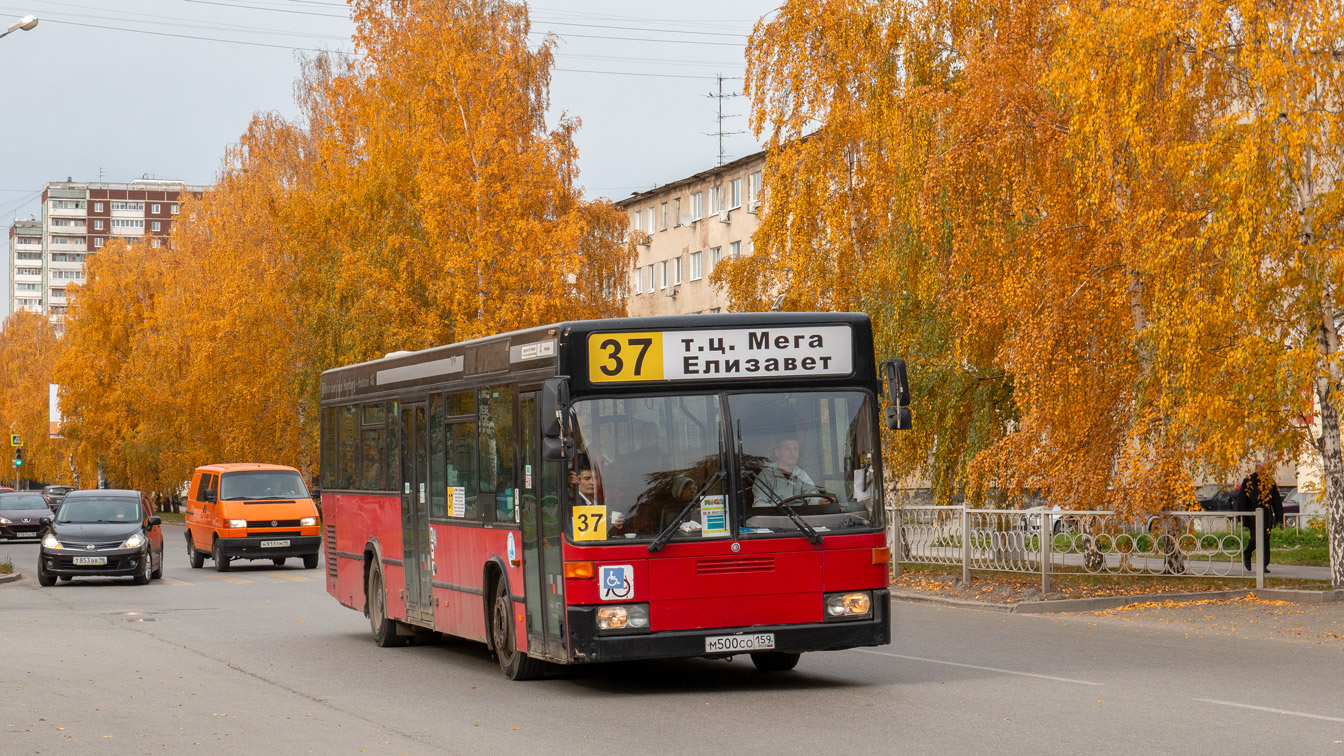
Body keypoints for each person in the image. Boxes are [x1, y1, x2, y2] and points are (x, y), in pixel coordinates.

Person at [1238, 465, 1284, 573]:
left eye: (1264, 469)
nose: (1263, 471)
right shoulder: (1248, 481)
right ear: (1256, 469)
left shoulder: (1270, 481)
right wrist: (1242, 516)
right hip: (1252, 516)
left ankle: (1263, 565)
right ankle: (1247, 553)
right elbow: (1242, 500)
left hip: (1266, 516)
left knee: (1265, 540)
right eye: (1261, 469)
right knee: (1255, 539)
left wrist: (1279, 518)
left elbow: (1276, 501)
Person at [751, 435, 819, 506]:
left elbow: (812, 495)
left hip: (800, 515)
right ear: (777, 452)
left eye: (795, 449)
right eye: (787, 449)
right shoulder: (766, 475)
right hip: (775, 515)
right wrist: (776, 508)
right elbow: (759, 504)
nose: (792, 453)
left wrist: (820, 502)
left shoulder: (801, 475)